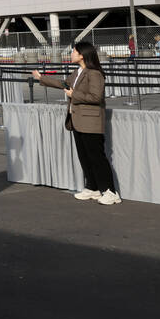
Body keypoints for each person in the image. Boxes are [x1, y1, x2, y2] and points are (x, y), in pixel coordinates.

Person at [32, 41, 120, 205]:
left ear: (82, 55)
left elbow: (96, 97)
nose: (71, 54)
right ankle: (92, 188)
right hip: (77, 120)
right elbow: (63, 84)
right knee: (84, 157)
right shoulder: (78, 72)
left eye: (73, 51)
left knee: (97, 157)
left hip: (91, 121)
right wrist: (41, 78)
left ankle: (110, 191)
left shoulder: (94, 73)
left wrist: (74, 94)